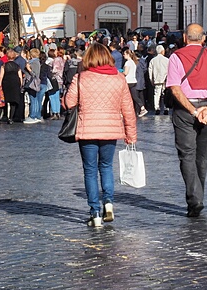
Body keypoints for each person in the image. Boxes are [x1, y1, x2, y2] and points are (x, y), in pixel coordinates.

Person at [63, 42, 137, 227]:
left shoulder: (81, 78)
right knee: (106, 166)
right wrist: (131, 135)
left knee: (90, 171)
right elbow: (128, 109)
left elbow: (68, 103)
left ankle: (95, 213)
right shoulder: (119, 79)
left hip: (87, 129)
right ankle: (109, 203)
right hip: (110, 130)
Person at [166, 23, 207, 217]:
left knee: (187, 155)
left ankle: (195, 198)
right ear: (204, 39)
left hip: (185, 109)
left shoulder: (176, 57)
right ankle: (197, 196)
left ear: (185, 38)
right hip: (206, 109)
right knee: (202, 156)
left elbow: (175, 89)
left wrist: (195, 111)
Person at [0, 49, 24, 124]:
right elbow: (20, 77)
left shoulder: (4, 65)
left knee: (5, 100)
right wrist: (20, 85)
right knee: (13, 101)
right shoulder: (17, 66)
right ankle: (11, 118)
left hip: (6, 83)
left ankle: (5, 115)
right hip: (15, 83)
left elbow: (1, 76)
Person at [148, 45, 170, 115]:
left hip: (156, 79)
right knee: (165, 94)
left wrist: (151, 80)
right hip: (165, 79)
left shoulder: (152, 60)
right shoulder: (167, 60)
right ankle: (166, 108)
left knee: (157, 94)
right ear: (162, 51)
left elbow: (150, 71)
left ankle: (157, 108)